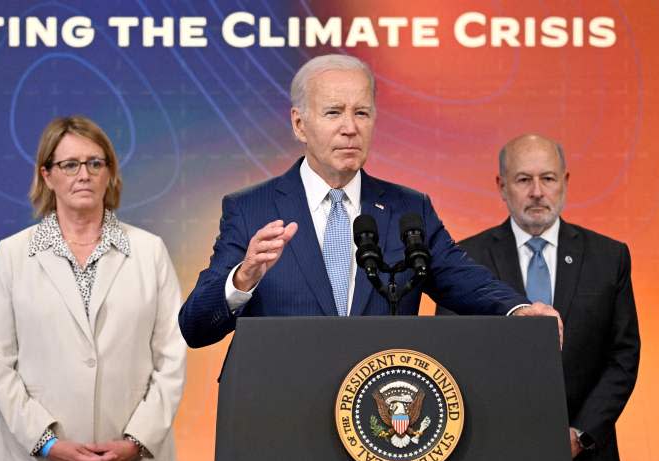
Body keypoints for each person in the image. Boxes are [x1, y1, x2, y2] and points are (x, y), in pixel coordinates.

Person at [179, 53, 560, 349]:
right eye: (333, 113)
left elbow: (460, 277)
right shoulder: (251, 209)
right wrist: (242, 279)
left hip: (379, 420)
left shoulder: (409, 210)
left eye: (361, 112)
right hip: (279, 414)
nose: (350, 127)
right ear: (299, 125)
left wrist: (518, 308)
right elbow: (195, 327)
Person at [0, 115, 187, 461]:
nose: (83, 174)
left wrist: (134, 441)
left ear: (111, 173)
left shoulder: (149, 251)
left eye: (95, 162)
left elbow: (171, 361)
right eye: (69, 163)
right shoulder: (12, 256)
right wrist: (50, 444)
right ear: (46, 175)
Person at [438, 134, 640, 461]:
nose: (536, 191)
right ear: (501, 186)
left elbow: (622, 356)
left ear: (565, 182)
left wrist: (580, 434)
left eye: (547, 178)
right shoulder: (463, 261)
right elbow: (449, 356)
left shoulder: (609, 257)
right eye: (523, 179)